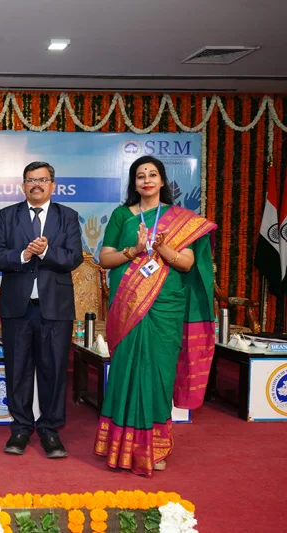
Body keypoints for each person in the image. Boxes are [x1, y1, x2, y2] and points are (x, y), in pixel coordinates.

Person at [93, 155, 216, 477]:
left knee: (160, 374)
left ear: (162, 181)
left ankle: (155, 448)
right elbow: (105, 259)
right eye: (140, 176)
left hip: (166, 306)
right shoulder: (122, 215)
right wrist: (134, 250)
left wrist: (162, 249)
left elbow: (187, 264)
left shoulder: (181, 221)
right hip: (128, 305)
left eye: (152, 175)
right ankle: (119, 447)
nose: (146, 180)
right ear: (134, 184)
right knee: (125, 372)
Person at [0, 161, 83, 459]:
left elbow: (74, 257)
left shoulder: (67, 216)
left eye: (42, 180)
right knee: (17, 370)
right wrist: (24, 255)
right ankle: (20, 428)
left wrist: (46, 251)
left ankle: (50, 430)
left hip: (55, 308)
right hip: (17, 307)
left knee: (54, 370)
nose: (36, 185)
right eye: (31, 180)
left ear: (53, 185)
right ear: (23, 185)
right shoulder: (7, 215)